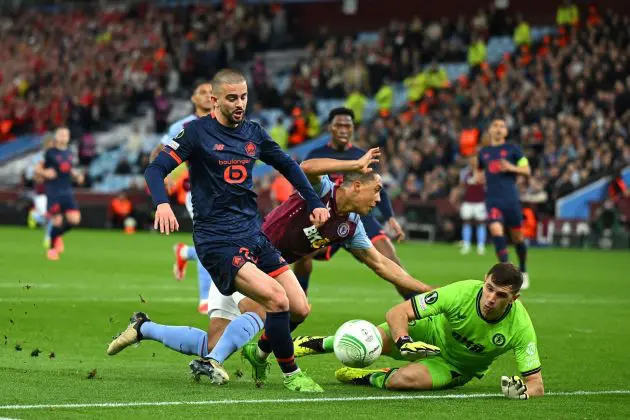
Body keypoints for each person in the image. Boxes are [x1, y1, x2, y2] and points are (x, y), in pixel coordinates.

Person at [107, 150, 433, 387]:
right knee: (278, 307)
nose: (380, 199)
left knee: (218, 338)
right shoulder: (321, 193)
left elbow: (383, 265)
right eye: (377, 190)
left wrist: (431, 293)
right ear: (356, 185)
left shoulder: (351, 226)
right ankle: (230, 361)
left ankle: (144, 328)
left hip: (263, 267)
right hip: (242, 255)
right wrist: (353, 163)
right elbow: (306, 166)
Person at [141, 68, 330, 393]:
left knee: (300, 307)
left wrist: (314, 201)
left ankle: (258, 356)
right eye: (232, 98)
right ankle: (291, 374)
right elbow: (156, 168)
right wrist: (161, 203)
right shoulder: (196, 132)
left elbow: (288, 165)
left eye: (243, 96)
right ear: (214, 100)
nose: (240, 103)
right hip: (217, 240)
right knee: (276, 299)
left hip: (252, 234)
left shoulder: (254, 133)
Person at [296, 263, 545, 400]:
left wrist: (522, 392)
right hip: (428, 331)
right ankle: (319, 343)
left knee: (401, 381)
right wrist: (404, 340)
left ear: (514, 298)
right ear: (484, 280)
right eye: (489, 288)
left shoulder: (520, 326)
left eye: (501, 295)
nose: (490, 298)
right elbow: (397, 312)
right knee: (368, 337)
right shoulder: (461, 292)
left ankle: (367, 377)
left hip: (455, 366)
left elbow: (536, 385)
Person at [294, 107, 414, 299]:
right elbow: (304, 187)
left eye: (347, 125)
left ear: (352, 129)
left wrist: (390, 218)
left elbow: (377, 187)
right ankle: (298, 300)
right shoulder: (316, 155)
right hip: (327, 218)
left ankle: (418, 308)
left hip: (361, 218)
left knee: (391, 260)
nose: (343, 129)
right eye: (338, 125)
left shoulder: (363, 155)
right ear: (330, 128)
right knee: (303, 256)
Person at [149, 81, 215, 314]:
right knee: (209, 238)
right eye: (203, 93)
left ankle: (185, 253)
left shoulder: (224, 121)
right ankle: (205, 299)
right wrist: (162, 173)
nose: (209, 96)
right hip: (196, 191)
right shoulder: (183, 125)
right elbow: (157, 152)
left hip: (225, 191)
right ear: (193, 99)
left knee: (223, 241)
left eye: (212, 92)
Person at [477, 119, 531, 289]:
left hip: (510, 200)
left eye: (502, 126)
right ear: (490, 131)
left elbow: (527, 170)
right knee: (495, 229)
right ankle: (509, 274)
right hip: (493, 200)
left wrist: (511, 167)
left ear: (506, 132)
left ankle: (523, 270)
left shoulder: (513, 149)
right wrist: (478, 176)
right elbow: (479, 170)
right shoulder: (483, 152)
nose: (498, 129)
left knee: (518, 238)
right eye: (495, 126)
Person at [34, 127, 84, 261]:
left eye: (65, 134)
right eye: (60, 134)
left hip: (67, 190)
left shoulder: (70, 153)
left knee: (75, 219)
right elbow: (37, 169)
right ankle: (51, 249)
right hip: (53, 190)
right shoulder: (49, 153)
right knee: (57, 220)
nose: (63, 137)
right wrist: (45, 173)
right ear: (55, 137)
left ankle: (55, 236)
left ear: (68, 138)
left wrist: (77, 176)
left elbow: (69, 169)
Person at [460, 157, 487, 255]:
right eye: (472, 161)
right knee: (466, 222)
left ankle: (481, 246)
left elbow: (485, 184)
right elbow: (462, 185)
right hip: (468, 201)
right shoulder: (465, 173)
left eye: (475, 161)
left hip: (480, 201)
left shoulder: (483, 173)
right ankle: (466, 245)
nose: (473, 163)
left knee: (481, 223)